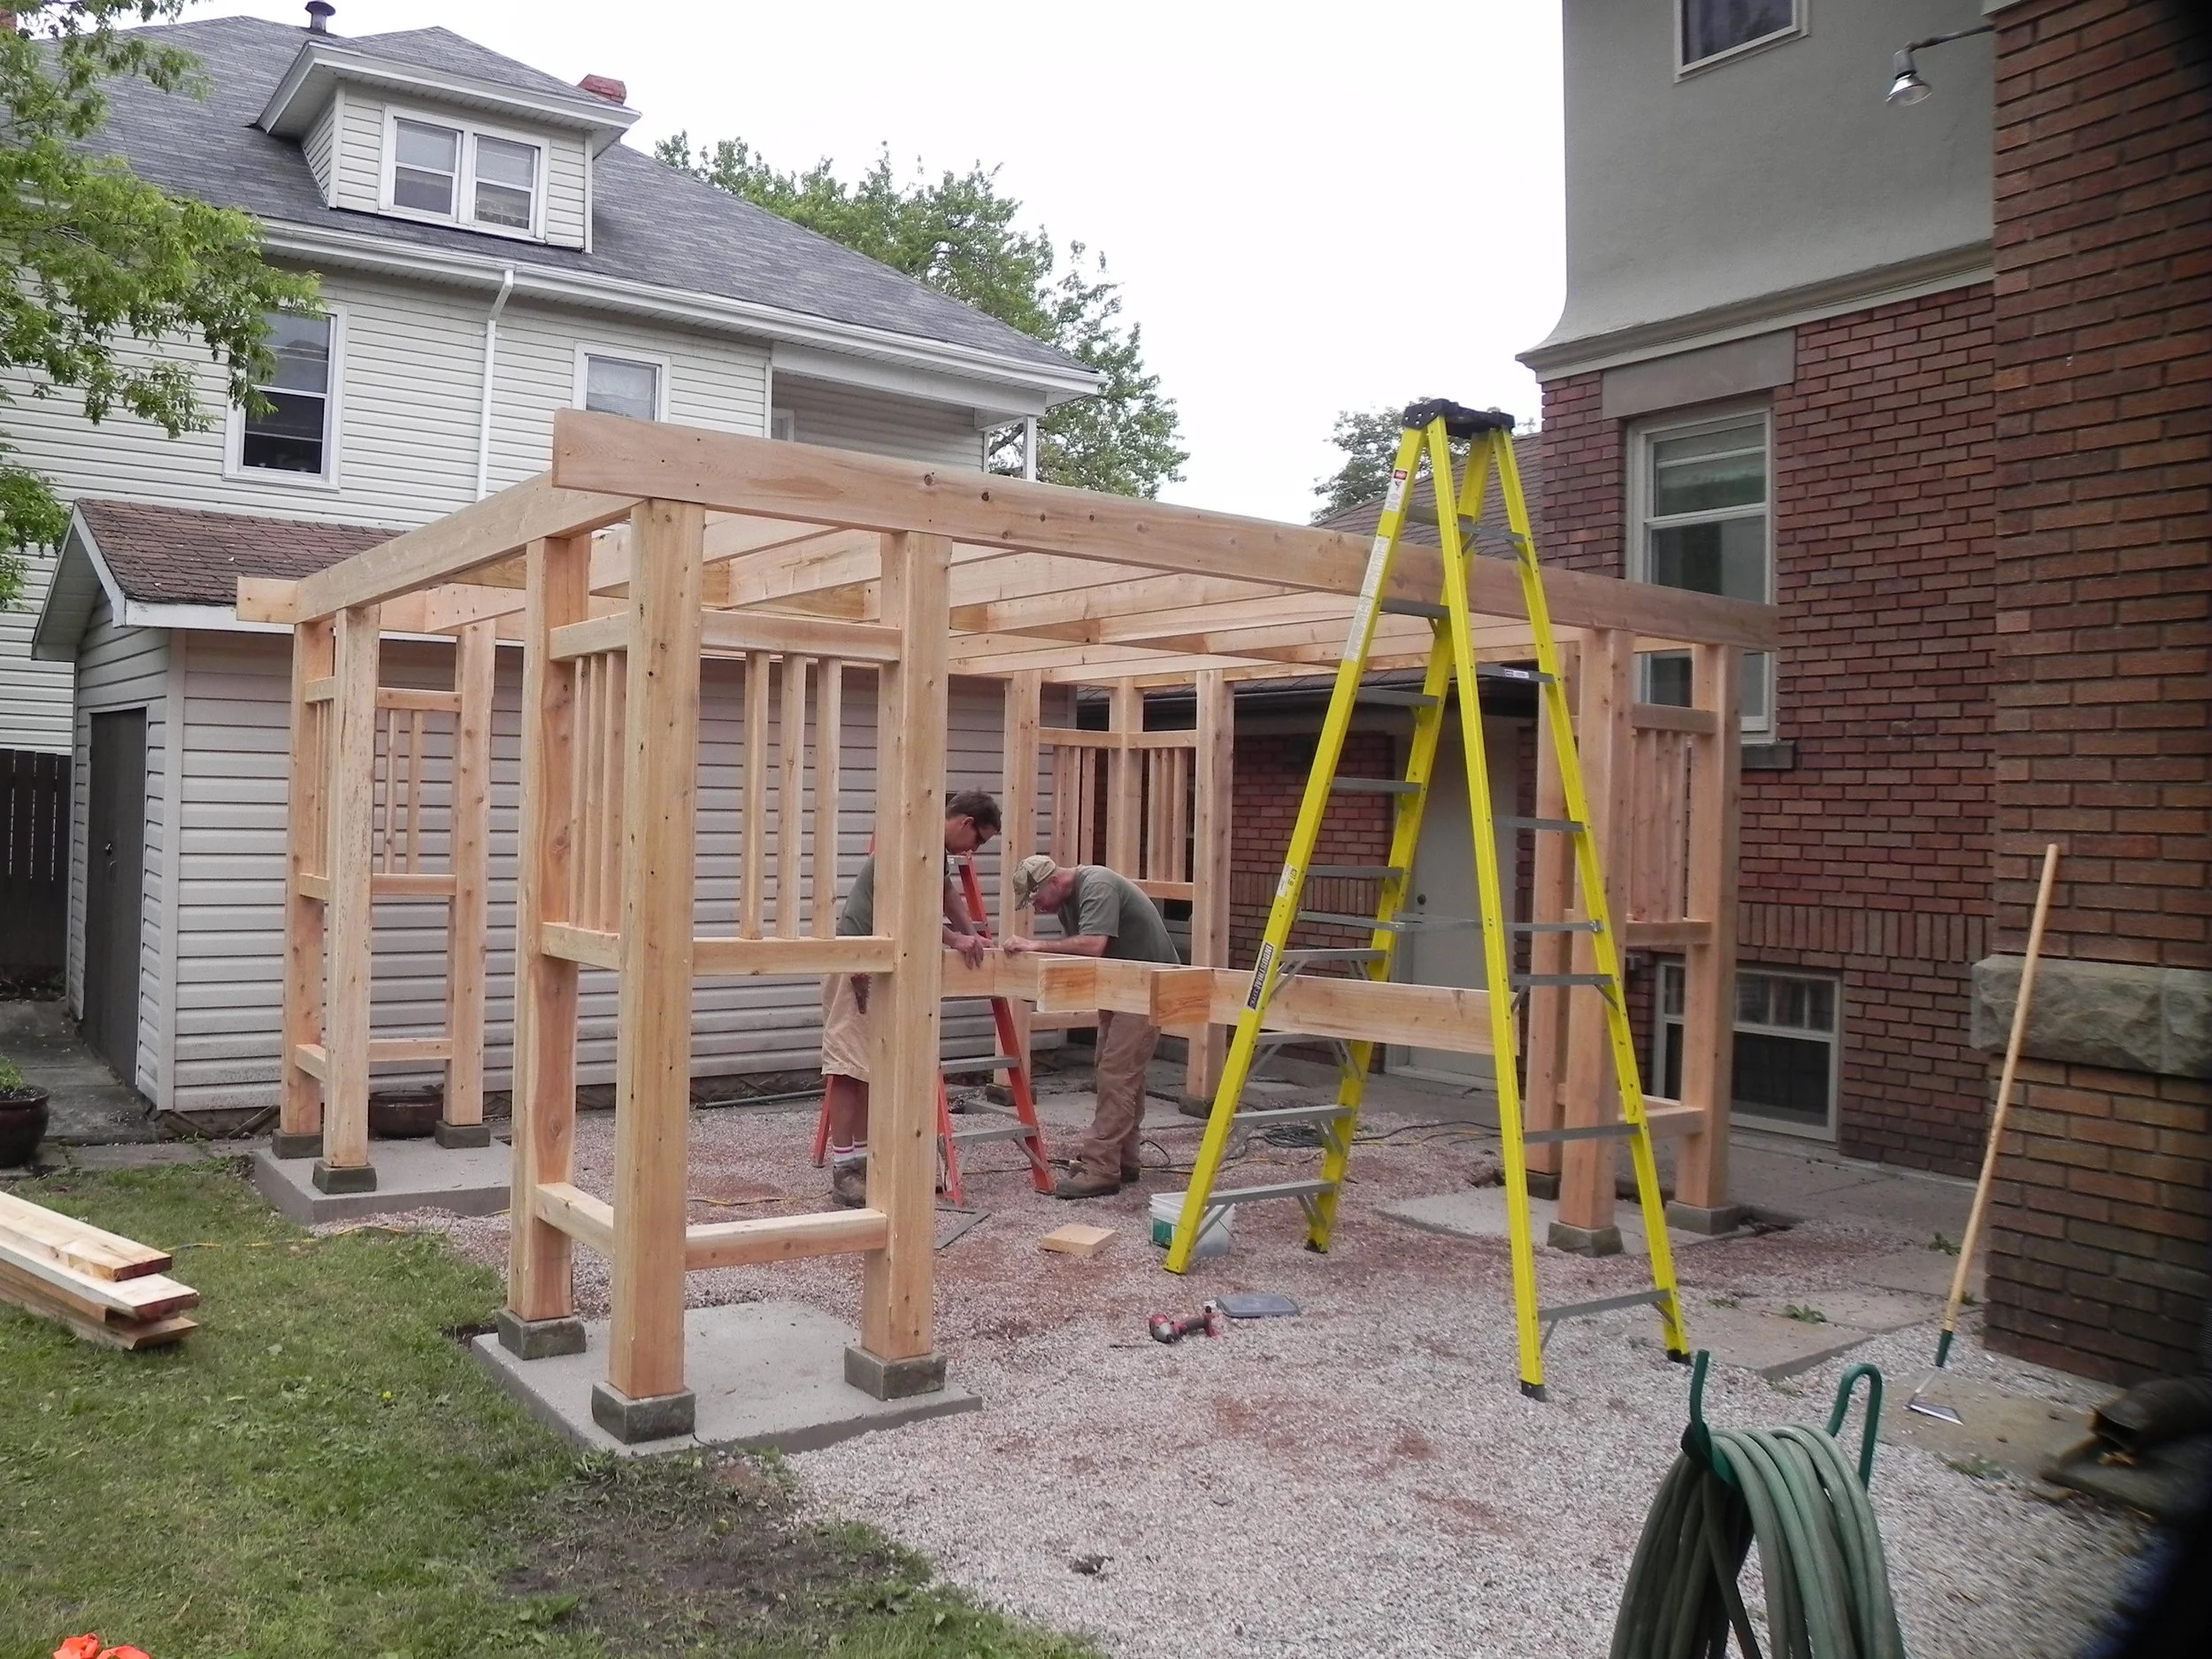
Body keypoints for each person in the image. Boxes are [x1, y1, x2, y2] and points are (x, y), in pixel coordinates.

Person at [821, 790, 1000, 1206]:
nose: (975, 850)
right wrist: (956, 937)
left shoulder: (931, 851)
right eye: (979, 840)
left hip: (880, 961)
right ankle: (844, 1170)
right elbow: (907, 907)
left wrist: (973, 934)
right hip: (859, 959)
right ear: (965, 823)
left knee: (869, 1068)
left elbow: (943, 895)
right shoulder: (911, 844)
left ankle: (862, 1162)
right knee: (848, 1068)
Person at [1002, 853, 1180, 1200]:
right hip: (1120, 986)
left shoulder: (1096, 885)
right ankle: (1124, 1159)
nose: (1037, 909)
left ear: (1054, 882)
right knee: (1116, 1071)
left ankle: (1101, 1168)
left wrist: (1034, 945)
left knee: (1117, 1073)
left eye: (1037, 900)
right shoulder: (1069, 898)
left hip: (1147, 986)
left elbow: (1093, 945)